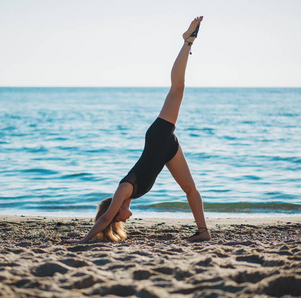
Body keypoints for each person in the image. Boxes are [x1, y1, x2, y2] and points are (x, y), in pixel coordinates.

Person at [67, 16, 211, 243]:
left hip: (158, 137)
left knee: (177, 88)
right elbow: (108, 220)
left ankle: (187, 41)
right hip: (166, 147)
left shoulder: (124, 189)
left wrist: (81, 241)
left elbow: (104, 219)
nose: (123, 220)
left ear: (115, 211)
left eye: (119, 218)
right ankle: (203, 232)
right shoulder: (129, 196)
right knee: (190, 189)